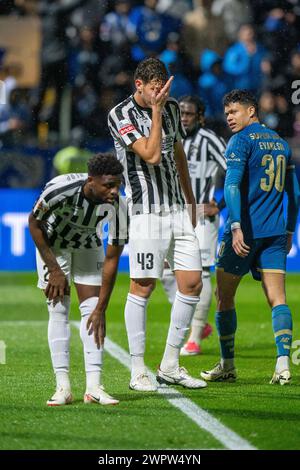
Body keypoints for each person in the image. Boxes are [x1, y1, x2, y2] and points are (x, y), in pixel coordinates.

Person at [104, 57, 207, 391]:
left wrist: (190, 201)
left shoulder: (173, 107)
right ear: (139, 85)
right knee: (143, 286)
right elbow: (150, 154)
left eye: (163, 89)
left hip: (177, 208)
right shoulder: (120, 115)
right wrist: (158, 111)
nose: (159, 94)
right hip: (145, 212)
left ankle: (170, 364)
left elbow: (177, 152)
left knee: (192, 284)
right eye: (153, 89)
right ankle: (138, 370)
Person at [200, 89, 299, 385]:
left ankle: (227, 365)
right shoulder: (281, 144)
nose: (229, 117)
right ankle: (283, 364)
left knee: (224, 297)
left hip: (243, 235)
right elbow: (294, 195)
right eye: (227, 112)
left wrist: (236, 227)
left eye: (234, 111)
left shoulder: (240, 141)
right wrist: (290, 229)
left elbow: (231, 187)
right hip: (275, 234)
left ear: (251, 111)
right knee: (277, 299)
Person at [28, 153, 127, 406]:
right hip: (54, 245)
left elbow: (113, 258)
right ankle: (63, 387)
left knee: (92, 311)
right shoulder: (60, 191)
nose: (115, 191)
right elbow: (34, 224)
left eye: (118, 184)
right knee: (58, 310)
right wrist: (55, 269)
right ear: (90, 181)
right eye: (108, 185)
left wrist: (102, 307)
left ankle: (94, 387)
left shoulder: (119, 208)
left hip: (87, 244)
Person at [161, 95, 226, 356]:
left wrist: (219, 205)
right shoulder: (169, 139)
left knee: (203, 271)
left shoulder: (210, 140)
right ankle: (195, 320)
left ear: (200, 117)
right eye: (181, 114)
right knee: (165, 271)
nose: (184, 118)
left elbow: (235, 171)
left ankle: (195, 337)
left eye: (189, 114)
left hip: (201, 213)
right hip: (175, 213)